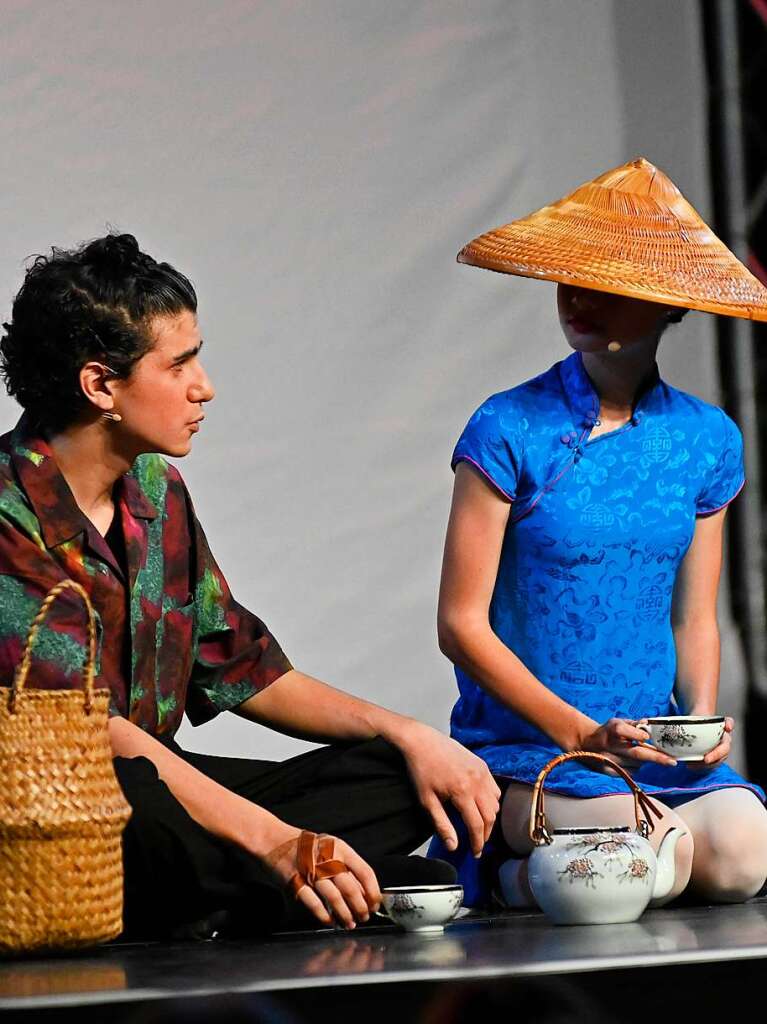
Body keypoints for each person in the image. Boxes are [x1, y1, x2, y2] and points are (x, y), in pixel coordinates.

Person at [0, 233, 500, 939]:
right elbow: (95, 735)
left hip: (166, 785)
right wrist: (271, 838)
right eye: (179, 365)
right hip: (64, 802)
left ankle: (240, 896)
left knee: (397, 775)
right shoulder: (7, 515)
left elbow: (240, 667)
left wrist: (411, 734)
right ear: (100, 385)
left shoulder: (157, 491)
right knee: (141, 805)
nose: (204, 386)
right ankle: (276, 886)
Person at [431, 158, 767, 908]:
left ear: (666, 303)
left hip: (648, 751)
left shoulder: (704, 439)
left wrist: (699, 725)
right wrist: (578, 733)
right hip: (533, 754)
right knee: (655, 854)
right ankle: (506, 874)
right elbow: (459, 625)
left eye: (607, 281)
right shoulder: (508, 425)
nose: (578, 297)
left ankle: (534, 883)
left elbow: (692, 615)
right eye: (569, 276)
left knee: (746, 853)